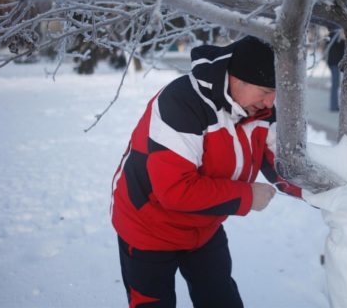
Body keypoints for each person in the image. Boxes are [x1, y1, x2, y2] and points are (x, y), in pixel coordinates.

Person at [111, 36, 303, 308]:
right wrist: (248, 196)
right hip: (148, 226)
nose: (270, 103)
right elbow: (175, 191)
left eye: (275, 93)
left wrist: (323, 192)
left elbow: (282, 165)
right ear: (237, 79)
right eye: (264, 91)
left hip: (203, 227)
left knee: (220, 299)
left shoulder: (260, 112)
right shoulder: (181, 102)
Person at [325, 28, 345, 112]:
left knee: (335, 85)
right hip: (335, 63)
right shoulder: (337, 38)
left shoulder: (330, 36)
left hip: (333, 63)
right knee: (335, 85)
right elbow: (340, 51)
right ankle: (333, 105)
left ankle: (334, 104)